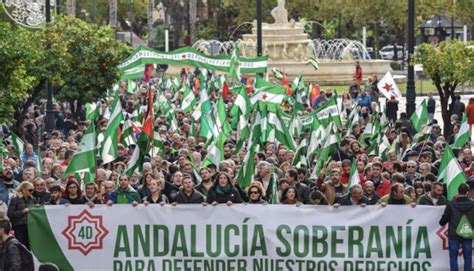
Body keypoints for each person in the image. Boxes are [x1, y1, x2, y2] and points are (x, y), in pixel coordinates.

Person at [439, 184, 474, 271]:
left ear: (458, 192)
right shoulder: (473, 204)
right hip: (467, 234)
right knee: (468, 257)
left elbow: (443, 221)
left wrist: (441, 222)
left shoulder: (451, 204)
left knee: (453, 258)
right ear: (467, 192)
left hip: (453, 234)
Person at [7, 182, 35, 248]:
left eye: (32, 190)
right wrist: (23, 211)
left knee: (30, 246)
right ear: (24, 190)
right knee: (22, 246)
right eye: (30, 190)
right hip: (19, 226)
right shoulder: (15, 200)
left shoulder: (33, 200)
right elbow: (10, 214)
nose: (32, 192)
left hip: (31, 226)